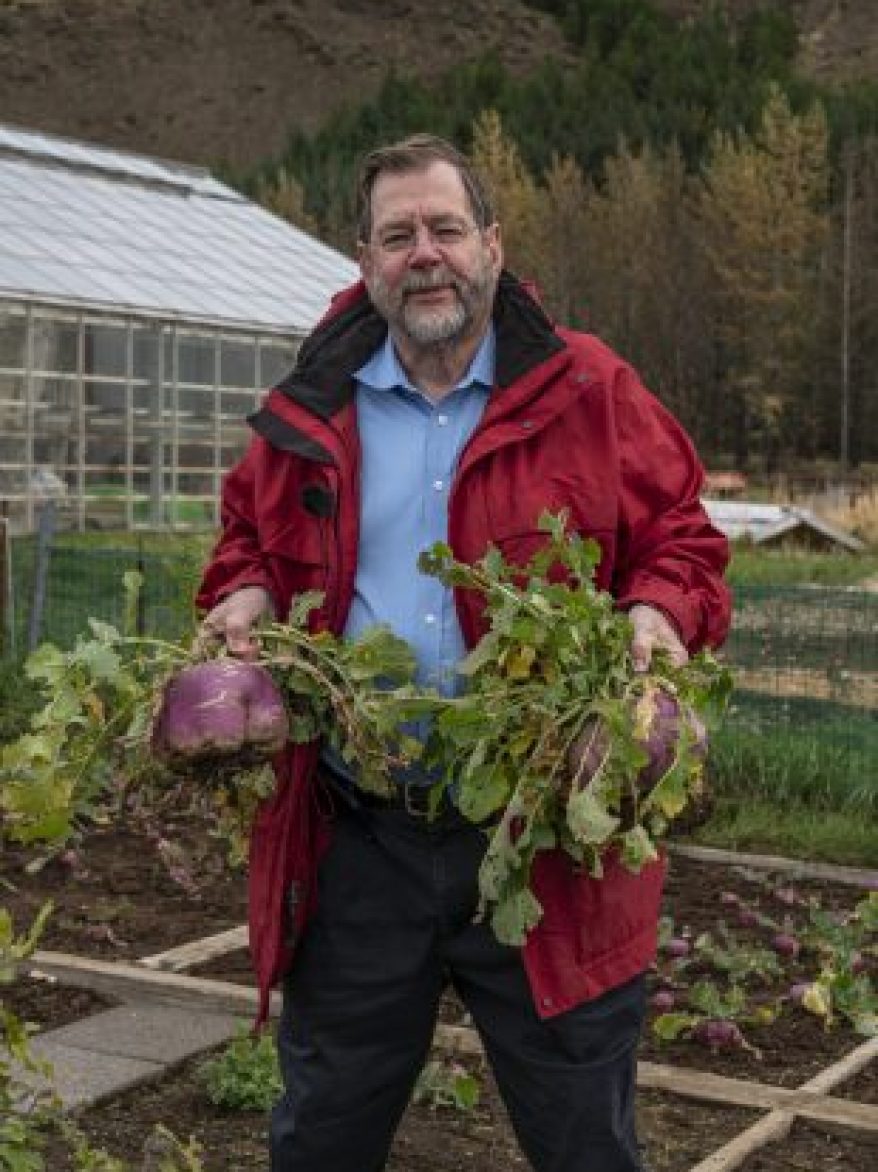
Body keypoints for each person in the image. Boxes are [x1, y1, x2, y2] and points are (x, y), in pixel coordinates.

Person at [196, 133, 731, 1172]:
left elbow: (681, 535)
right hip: (358, 842)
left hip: (543, 844)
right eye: (397, 236)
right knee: (320, 1135)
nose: (423, 254)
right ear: (364, 260)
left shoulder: (589, 389)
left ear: (491, 242)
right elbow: (243, 542)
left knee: (583, 1140)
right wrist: (245, 588)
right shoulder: (313, 407)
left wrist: (655, 615)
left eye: (444, 228)